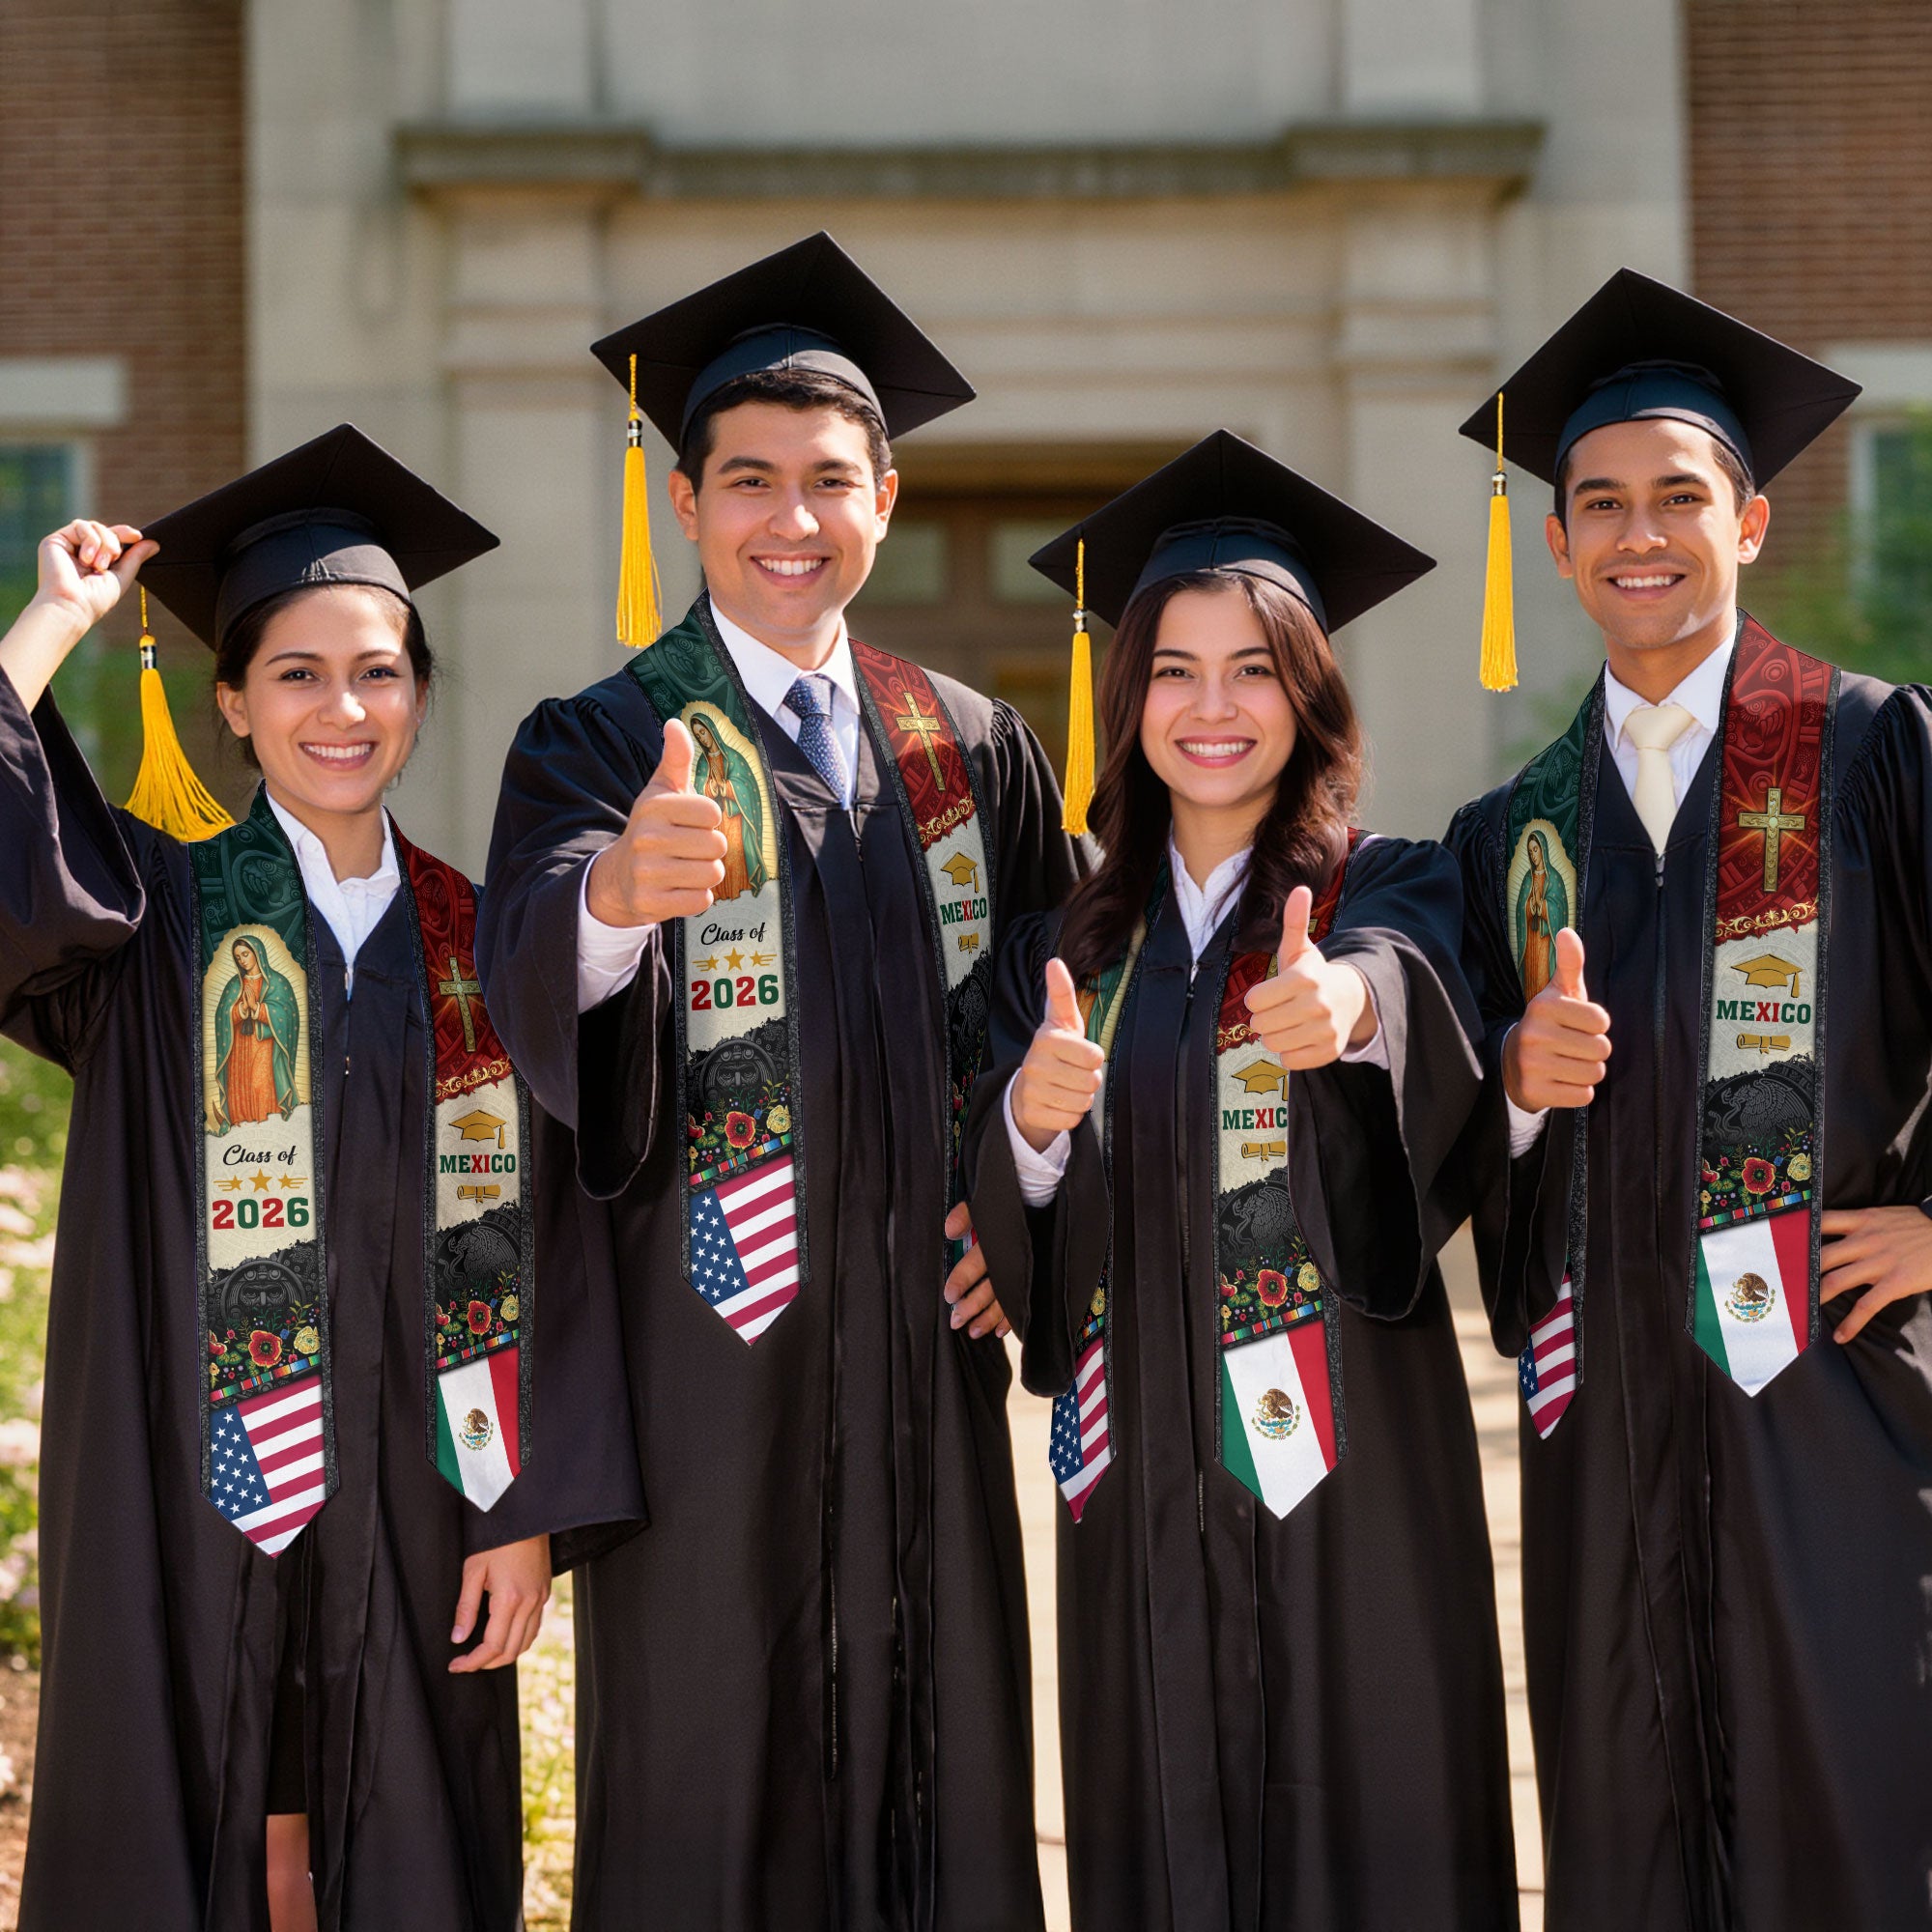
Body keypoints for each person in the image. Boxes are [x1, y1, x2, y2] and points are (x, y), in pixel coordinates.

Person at [477, 233, 1085, 1930]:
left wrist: (1026, 1208)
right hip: (708, 1366)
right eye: (749, 481)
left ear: (886, 497)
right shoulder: (600, 739)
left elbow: (1074, 1006)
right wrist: (611, 899)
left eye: (831, 481)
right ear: (686, 503)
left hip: (923, 1357)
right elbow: (526, 966)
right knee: (710, 1777)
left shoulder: (970, 742)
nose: (791, 519)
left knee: (942, 1761)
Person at [0, 425, 641, 1931]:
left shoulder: (489, 943)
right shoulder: (151, 920)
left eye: (378, 671)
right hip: (186, 1477)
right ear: (231, 701)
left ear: (419, 693)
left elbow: (563, 1238)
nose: (341, 708)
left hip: (428, 1493)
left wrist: (525, 1506)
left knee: (408, 1829)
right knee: (193, 1801)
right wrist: (51, 624)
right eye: (295, 673)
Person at [964, 432, 1517, 1930]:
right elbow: (1007, 1211)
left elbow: (1413, 989)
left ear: (1311, 693)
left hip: (1356, 1473)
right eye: (1175, 670)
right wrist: (1025, 1119)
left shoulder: (1388, 884)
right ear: (1127, 696)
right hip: (1140, 1468)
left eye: (1256, 668)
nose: (1214, 708)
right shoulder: (1066, 948)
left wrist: (1346, 1012)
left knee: (1375, 1820)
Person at [1446, 270, 1932, 1931]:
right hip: (1610, 1426)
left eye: (1678, 497)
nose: (1637, 534)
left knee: (1855, 1808)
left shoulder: (1870, 753)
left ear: (1752, 520)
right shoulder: (1514, 829)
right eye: (1599, 504)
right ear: (1561, 543)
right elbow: (1452, 1139)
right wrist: (1512, 1090)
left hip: (1837, 1406)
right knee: (1626, 1821)